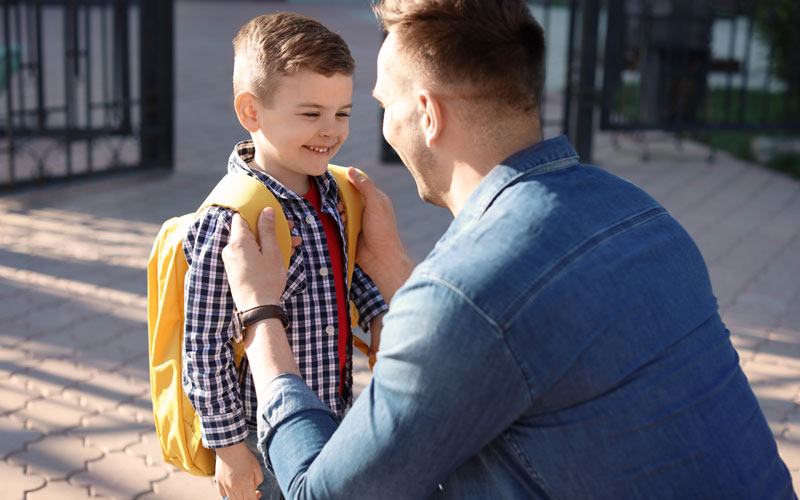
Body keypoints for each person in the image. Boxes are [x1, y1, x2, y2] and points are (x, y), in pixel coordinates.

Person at [221, 1, 796, 498]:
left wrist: (261, 314)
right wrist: (393, 269)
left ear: (427, 114)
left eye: (381, 103)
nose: (379, 123)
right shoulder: (638, 210)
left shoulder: (464, 296)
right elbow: (507, 339)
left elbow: (317, 492)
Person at [181, 13, 387, 500]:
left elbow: (347, 267)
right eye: (311, 114)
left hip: (331, 414)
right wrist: (230, 447)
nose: (331, 131)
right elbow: (204, 342)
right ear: (251, 112)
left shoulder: (335, 191)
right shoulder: (231, 219)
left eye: (343, 113)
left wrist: (378, 310)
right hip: (264, 436)